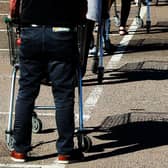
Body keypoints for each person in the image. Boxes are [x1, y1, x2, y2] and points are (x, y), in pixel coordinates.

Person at [9, 0, 87, 164]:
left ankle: (20, 149)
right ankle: (65, 151)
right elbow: (81, 8)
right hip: (61, 33)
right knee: (63, 95)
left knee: (26, 93)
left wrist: (15, 16)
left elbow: (14, 4)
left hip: (31, 31)